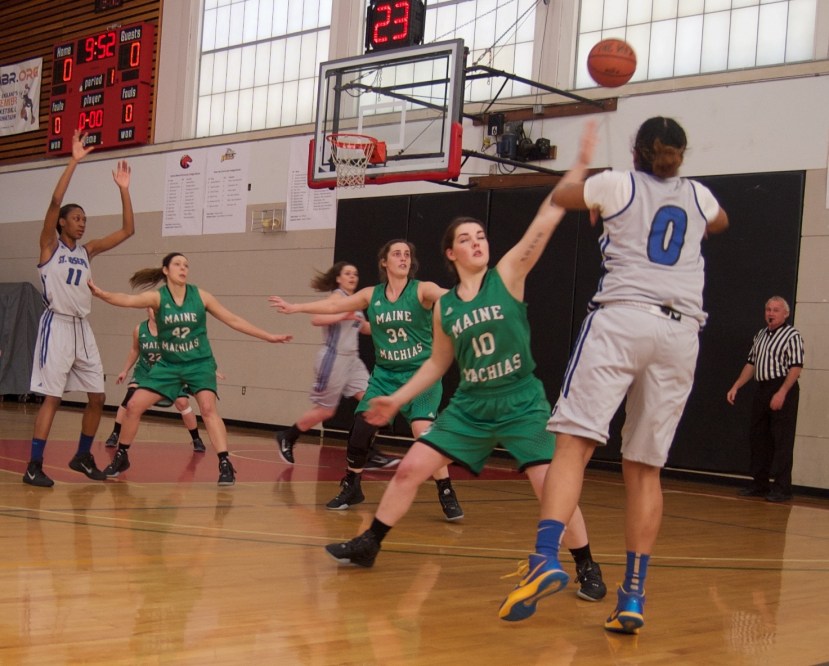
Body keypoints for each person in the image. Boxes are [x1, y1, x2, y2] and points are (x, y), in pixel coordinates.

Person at [319, 123, 606, 606]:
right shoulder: (446, 306)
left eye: (481, 236)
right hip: (471, 405)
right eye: (466, 239)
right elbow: (435, 365)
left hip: (520, 401)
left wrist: (578, 167)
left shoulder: (509, 274)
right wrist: (397, 398)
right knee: (412, 467)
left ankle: (587, 565)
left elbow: (549, 213)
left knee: (549, 486)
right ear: (451, 254)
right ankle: (370, 543)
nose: (477, 242)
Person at [499, 117, 729, 631]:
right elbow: (720, 223)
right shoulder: (699, 196)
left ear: (637, 150)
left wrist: (588, 175)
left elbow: (562, 195)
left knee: (574, 445)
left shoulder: (617, 183)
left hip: (623, 318)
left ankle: (544, 558)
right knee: (645, 470)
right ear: (679, 154)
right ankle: (632, 597)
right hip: (681, 333)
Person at [270, 241, 464, 520]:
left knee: (423, 434)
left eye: (407, 254)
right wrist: (296, 307)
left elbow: (446, 295)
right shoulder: (371, 295)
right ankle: (352, 485)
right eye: (397, 254)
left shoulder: (422, 289)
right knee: (360, 430)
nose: (403, 258)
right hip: (385, 377)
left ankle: (445, 490)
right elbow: (336, 305)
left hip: (420, 376)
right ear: (384, 262)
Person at [88, 252, 292, 486]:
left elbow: (233, 320)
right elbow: (127, 300)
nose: (183, 268)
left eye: (186, 265)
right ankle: (122, 456)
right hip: (169, 365)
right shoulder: (158, 298)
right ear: (166, 270)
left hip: (199, 363)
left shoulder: (201, 296)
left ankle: (225, 463)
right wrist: (102, 294)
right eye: (177, 264)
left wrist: (268, 336)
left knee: (207, 408)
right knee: (133, 404)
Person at [23, 129, 135, 488]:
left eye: (84, 219)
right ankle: (34, 465)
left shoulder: (86, 252)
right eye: (76, 218)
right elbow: (55, 202)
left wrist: (123, 188)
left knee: (98, 397)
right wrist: (74, 160)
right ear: (61, 223)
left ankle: (82, 455)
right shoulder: (49, 246)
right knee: (52, 398)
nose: (82, 222)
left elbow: (128, 231)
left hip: (82, 328)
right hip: (56, 326)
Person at [274, 261, 380, 464]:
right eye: (347, 273)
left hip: (353, 360)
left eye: (355, 274)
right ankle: (288, 436)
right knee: (326, 410)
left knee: (372, 401)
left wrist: (385, 325)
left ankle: (370, 452)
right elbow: (316, 319)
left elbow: (362, 327)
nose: (352, 277)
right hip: (334, 358)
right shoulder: (336, 298)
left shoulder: (354, 300)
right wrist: (344, 314)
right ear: (338, 278)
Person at [727, 296, 803, 502]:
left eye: (776, 310)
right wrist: (736, 385)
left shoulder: (792, 335)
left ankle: (782, 488)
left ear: (785, 313)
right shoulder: (760, 335)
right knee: (759, 437)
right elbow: (751, 364)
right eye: (768, 309)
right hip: (763, 388)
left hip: (782, 387)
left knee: (781, 440)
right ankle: (759, 484)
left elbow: (796, 367)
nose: (771, 313)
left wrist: (782, 392)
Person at [104, 307, 212, 453]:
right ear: (146, 310)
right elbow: (134, 350)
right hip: (145, 371)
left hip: (167, 373)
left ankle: (196, 439)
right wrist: (125, 370)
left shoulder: (171, 331)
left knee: (182, 402)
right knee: (130, 397)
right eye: (152, 309)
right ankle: (115, 433)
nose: (155, 312)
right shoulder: (139, 329)